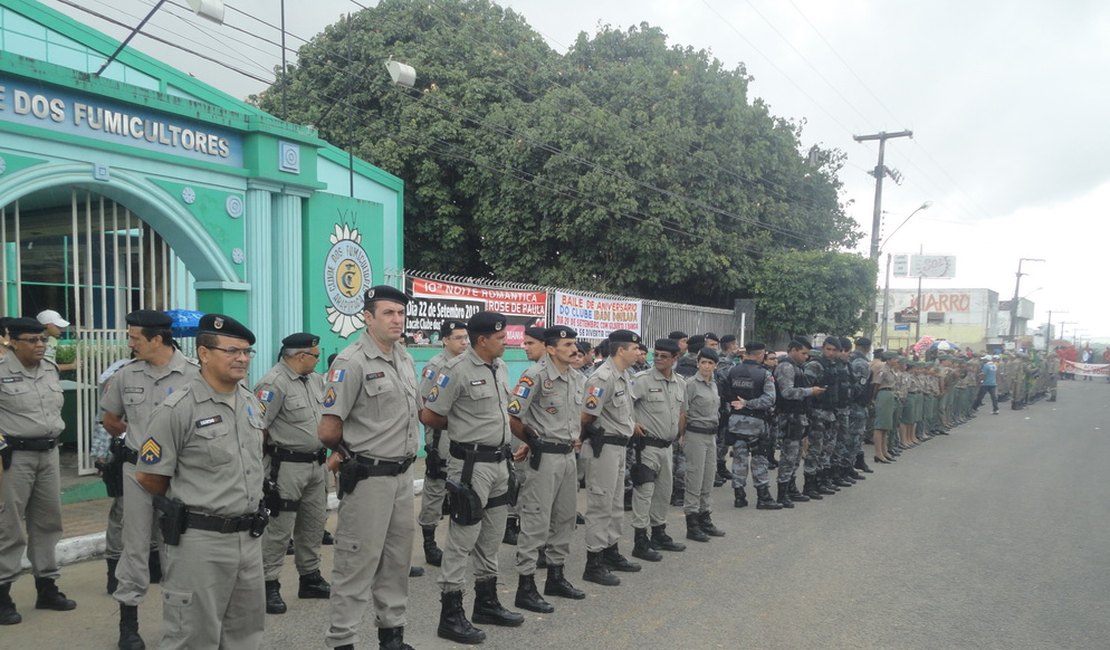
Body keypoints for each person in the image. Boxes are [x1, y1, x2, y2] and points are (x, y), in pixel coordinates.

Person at [135, 314, 267, 649]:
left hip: (248, 540)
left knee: (245, 635)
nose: (242, 358)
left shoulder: (250, 403)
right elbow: (150, 476)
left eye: (247, 352)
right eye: (232, 350)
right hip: (201, 543)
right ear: (204, 353)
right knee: (192, 638)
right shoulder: (177, 408)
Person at [317, 286, 420, 650]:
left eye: (401, 313)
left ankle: (392, 635)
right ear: (368, 317)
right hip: (368, 479)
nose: (397, 320)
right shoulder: (352, 362)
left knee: (395, 561)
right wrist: (352, 454)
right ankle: (341, 640)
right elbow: (328, 429)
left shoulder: (404, 357)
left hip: (402, 477)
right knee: (356, 563)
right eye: (388, 313)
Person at [420, 311, 523, 644]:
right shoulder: (456, 370)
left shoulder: (499, 367)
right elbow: (430, 414)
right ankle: (450, 614)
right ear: (483, 340)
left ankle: (486, 602)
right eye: (501, 338)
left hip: (498, 462)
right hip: (470, 465)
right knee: (463, 538)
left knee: (491, 536)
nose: (506, 342)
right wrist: (465, 430)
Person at [101, 309, 200, 649]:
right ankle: (128, 626)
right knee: (135, 546)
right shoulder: (127, 374)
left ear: (157, 339)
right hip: (138, 473)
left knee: (179, 546)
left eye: (134, 338)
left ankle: (178, 624)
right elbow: (110, 418)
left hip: (180, 476)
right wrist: (139, 438)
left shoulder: (194, 375)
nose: (130, 344)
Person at [0, 317, 77, 626]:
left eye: (42, 340)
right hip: (14, 457)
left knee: (48, 521)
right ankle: (3, 594)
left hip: (48, 454)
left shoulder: (49, 369)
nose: (40, 345)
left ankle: (47, 587)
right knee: (8, 525)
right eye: (32, 340)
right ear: (12, 342)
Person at [509, 325, 587, 613]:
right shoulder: (535, 376)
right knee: (535, 520)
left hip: (567, 456)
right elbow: (514, 416)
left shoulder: (577, 378)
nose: (574, 349)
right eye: (567, 345)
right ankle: (525, 586)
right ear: (551, 349)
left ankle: (556, 576)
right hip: (544, 458)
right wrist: (532, 441)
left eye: (574, 344)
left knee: (565, 518)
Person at [253, 332, 331, 616]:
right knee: (278, 528)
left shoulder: (315, 380)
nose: (318, 359)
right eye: (315, 355)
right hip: (285, 467)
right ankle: (268, 583)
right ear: (300, 356)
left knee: (313, 522)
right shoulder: (273, 383)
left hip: (315, 465)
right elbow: (257, 428)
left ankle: (309, 577)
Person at [579, 329, 643, 587]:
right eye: (635, 348)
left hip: (619, 446)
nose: (639, 352)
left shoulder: (623, 376)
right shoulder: (601, 377)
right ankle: (593, 561)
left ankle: (611, 550)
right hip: (602, 447)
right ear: (621, 350)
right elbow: (586, 416)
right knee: (600, 503)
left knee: (615, 503)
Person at [628, 338, 687, 562]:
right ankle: (640, 540)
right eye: (657, 355)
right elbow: (625, 404)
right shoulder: (642, 380)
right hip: (647, 446)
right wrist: (631, 424)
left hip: (667, 447)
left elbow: (681, 411)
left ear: (675, 359)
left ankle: (659, 533)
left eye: (664, 356)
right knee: (644, 492)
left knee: (664, 491)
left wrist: (681, 434)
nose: (659, 359)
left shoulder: (680, 382)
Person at [417, 319, 468, 568]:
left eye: (465, 337)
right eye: (458, 338)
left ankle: (457, 543)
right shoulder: (435, 366)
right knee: (436, 488)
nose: (464, 342)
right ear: (445, 340)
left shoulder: (467, 364)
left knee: (460, 487)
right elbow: (424, 404)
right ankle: (429, 542)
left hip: (462, 434)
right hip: (440, 436)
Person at [723, 341, 780, 510]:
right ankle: (763, 497)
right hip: (756, 423)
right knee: (759, 458)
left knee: (739, 459)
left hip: (735, 421)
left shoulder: (732, 371)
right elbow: (770, 399)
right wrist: (748, 403)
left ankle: (739, 496)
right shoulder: (764, 374)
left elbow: (725, 394)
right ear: (761, 354)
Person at [682, 346, 726, 540]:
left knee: (708, 477)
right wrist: (681, 436)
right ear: (697, 363)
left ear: (715, 365)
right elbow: (683, 412)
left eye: (710, 363)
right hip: (695, 435)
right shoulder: (690, 384)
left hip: (711, 436)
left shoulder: (714, 384)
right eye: (703, 362)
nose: (706, 366)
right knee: (695, 478)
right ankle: (692, 523)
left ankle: (705, 518)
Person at [774, 337, 824, 506]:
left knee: (795, 456)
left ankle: (790, 487)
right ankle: (782, 492)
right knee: (789, 455)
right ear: (793, 350)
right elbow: (787, 392)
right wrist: (810, 391)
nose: (806, 357)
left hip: (798, 416)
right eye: (803, 353)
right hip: (789, 417)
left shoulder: (797, 367)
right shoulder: (786, 367)